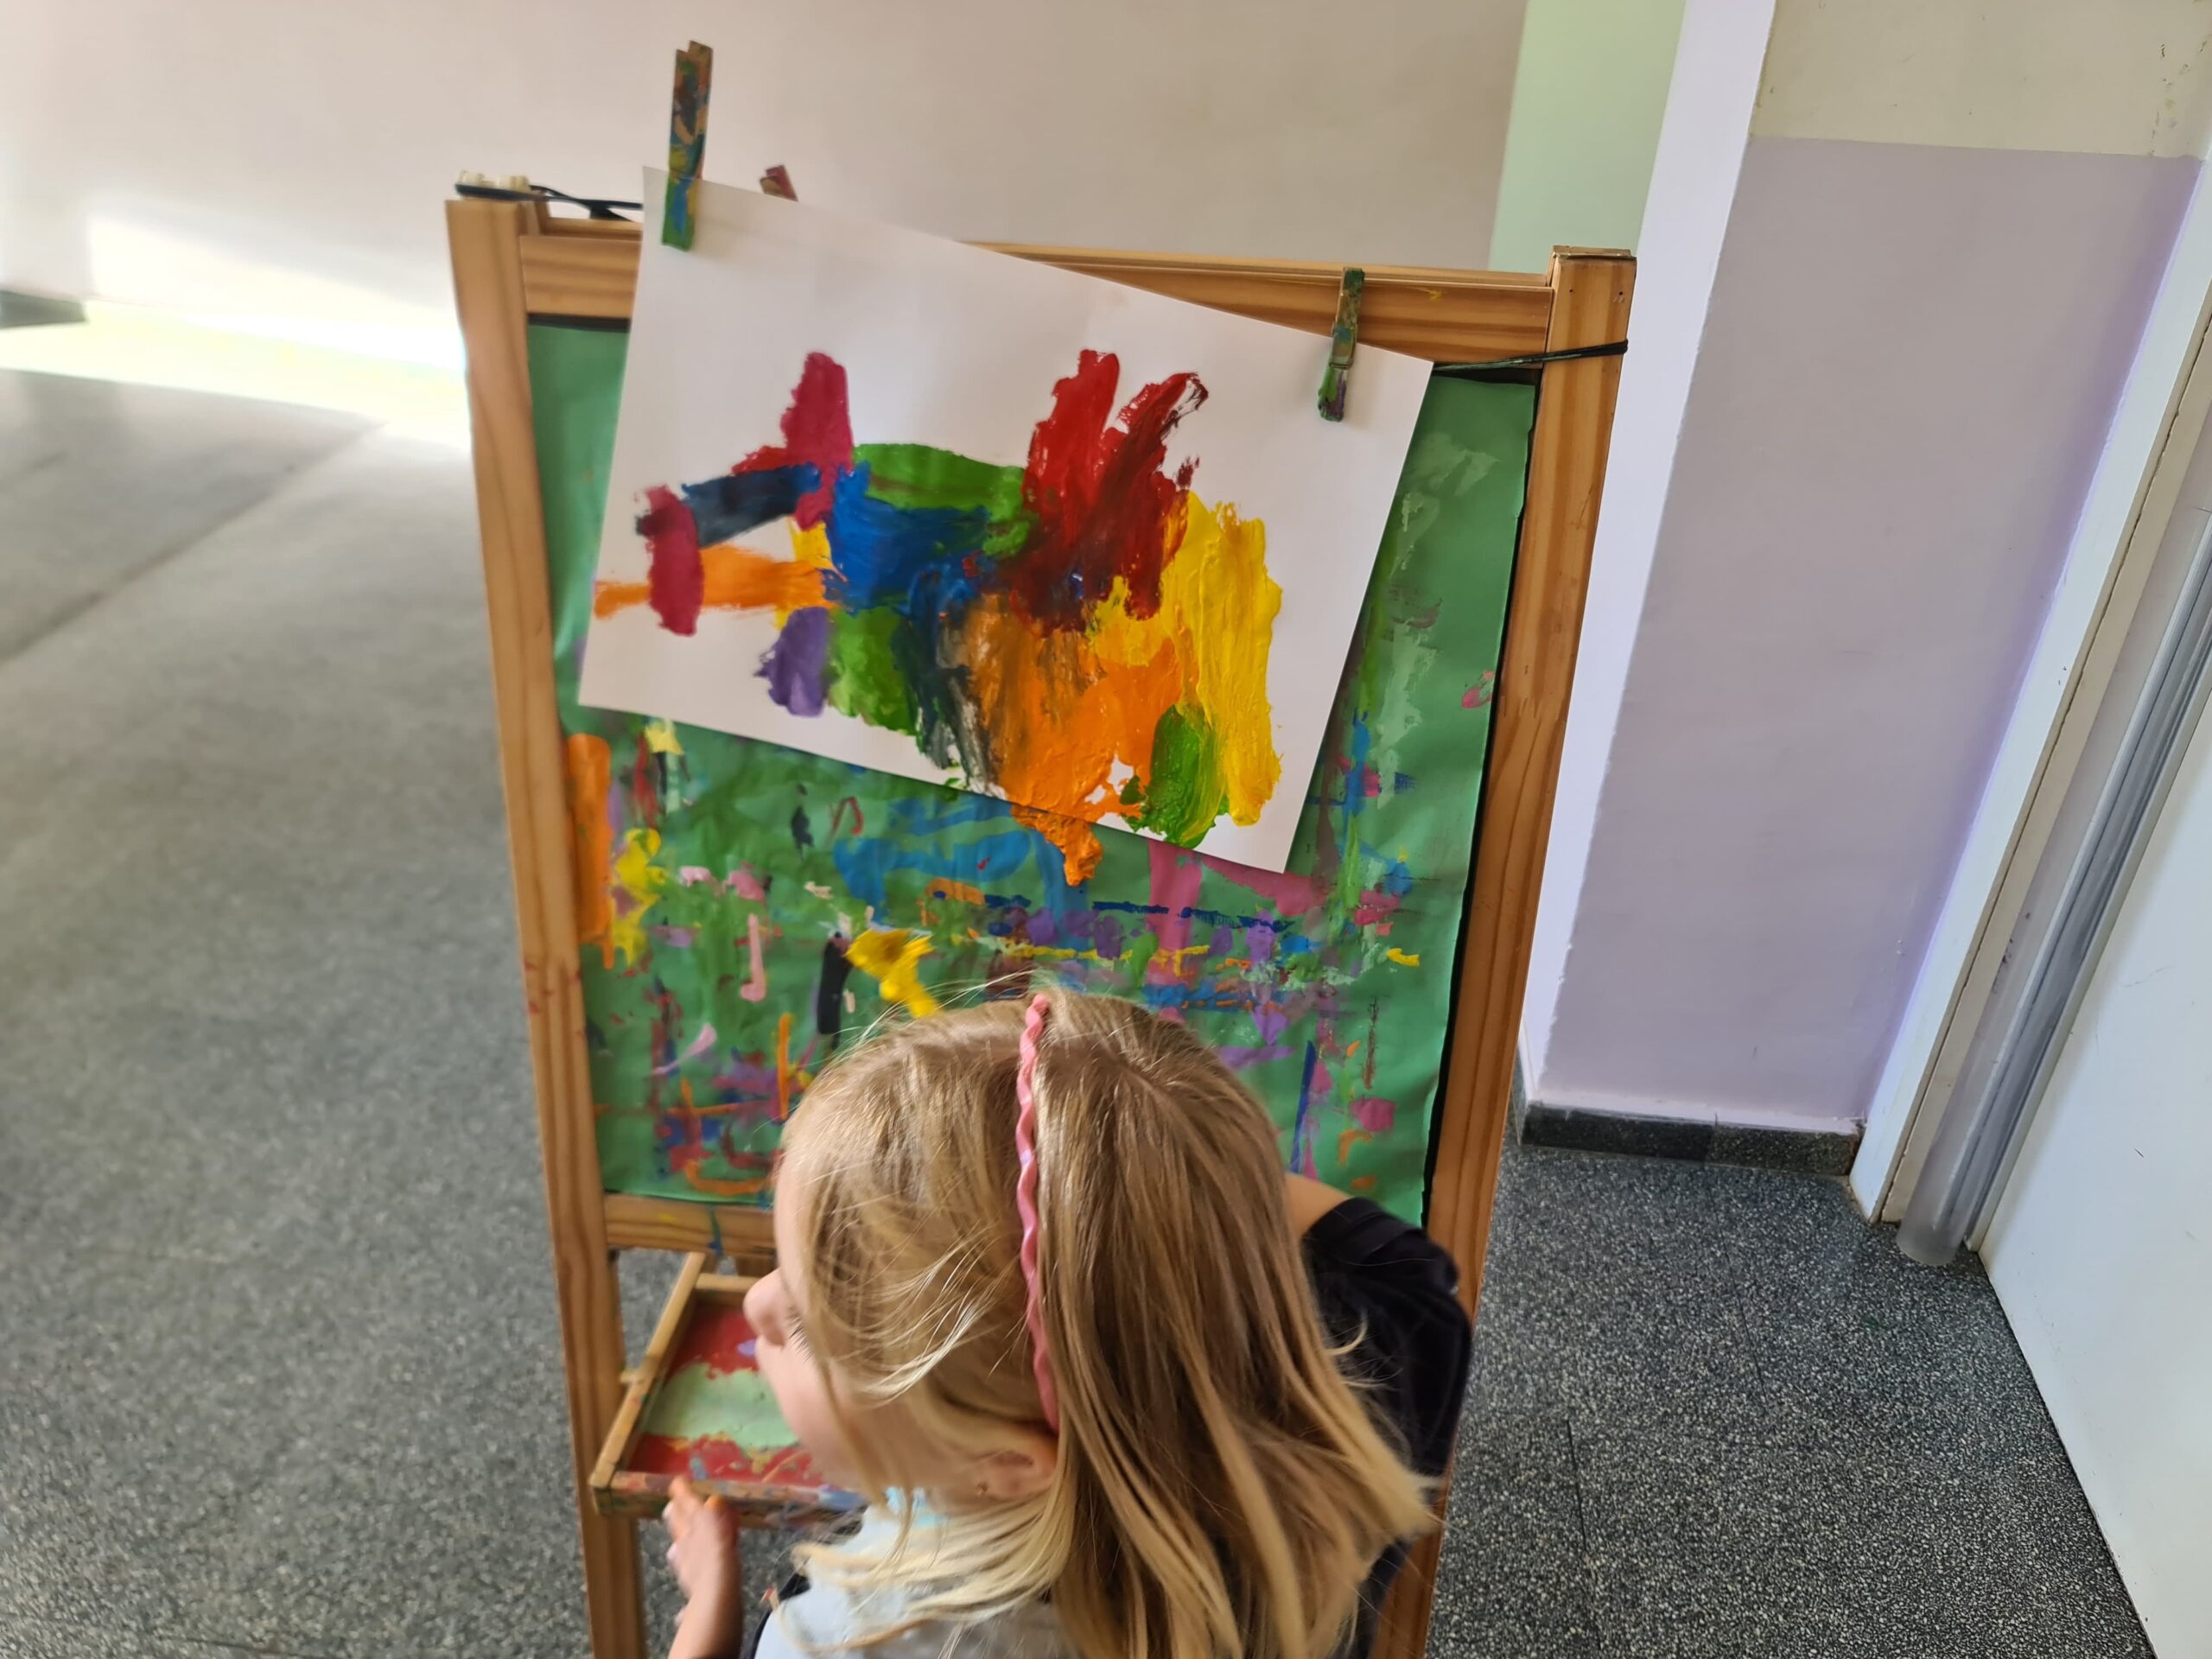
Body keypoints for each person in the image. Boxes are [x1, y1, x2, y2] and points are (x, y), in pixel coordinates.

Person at [662, 988, 1471, 1659]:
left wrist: (709, 1614)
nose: (756, 1303)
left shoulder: (839, 1640)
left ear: (1007, 1462)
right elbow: (1396, 1266)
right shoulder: (1377, 1387)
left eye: (808, 1329)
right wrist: (1142, 1163)